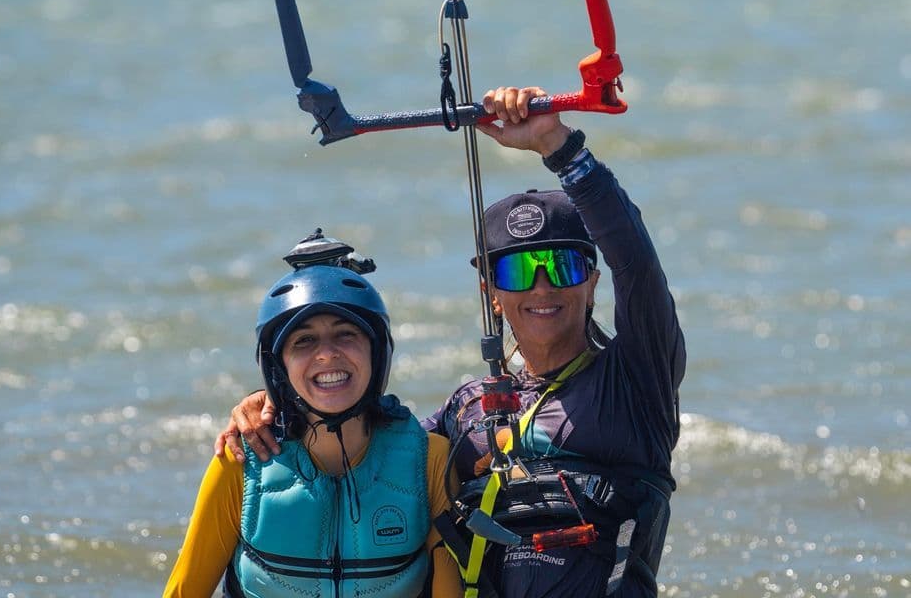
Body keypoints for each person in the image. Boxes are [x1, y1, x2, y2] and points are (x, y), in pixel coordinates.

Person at [215, 86, 686, 597]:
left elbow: (637, 263)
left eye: (563, 264)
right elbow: (358, 437)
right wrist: (272, 409)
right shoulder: (465, 413)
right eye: (519, 269)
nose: (543, 286)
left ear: (593, 282)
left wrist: (560, 147)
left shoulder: (638, 381)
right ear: (490, 290)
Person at [164, 249, 463, 598]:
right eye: (304, 340)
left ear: (377, 352)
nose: (327, 353)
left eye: (346, 334)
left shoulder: (431, 461)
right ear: (279, 367)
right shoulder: (240, 462)